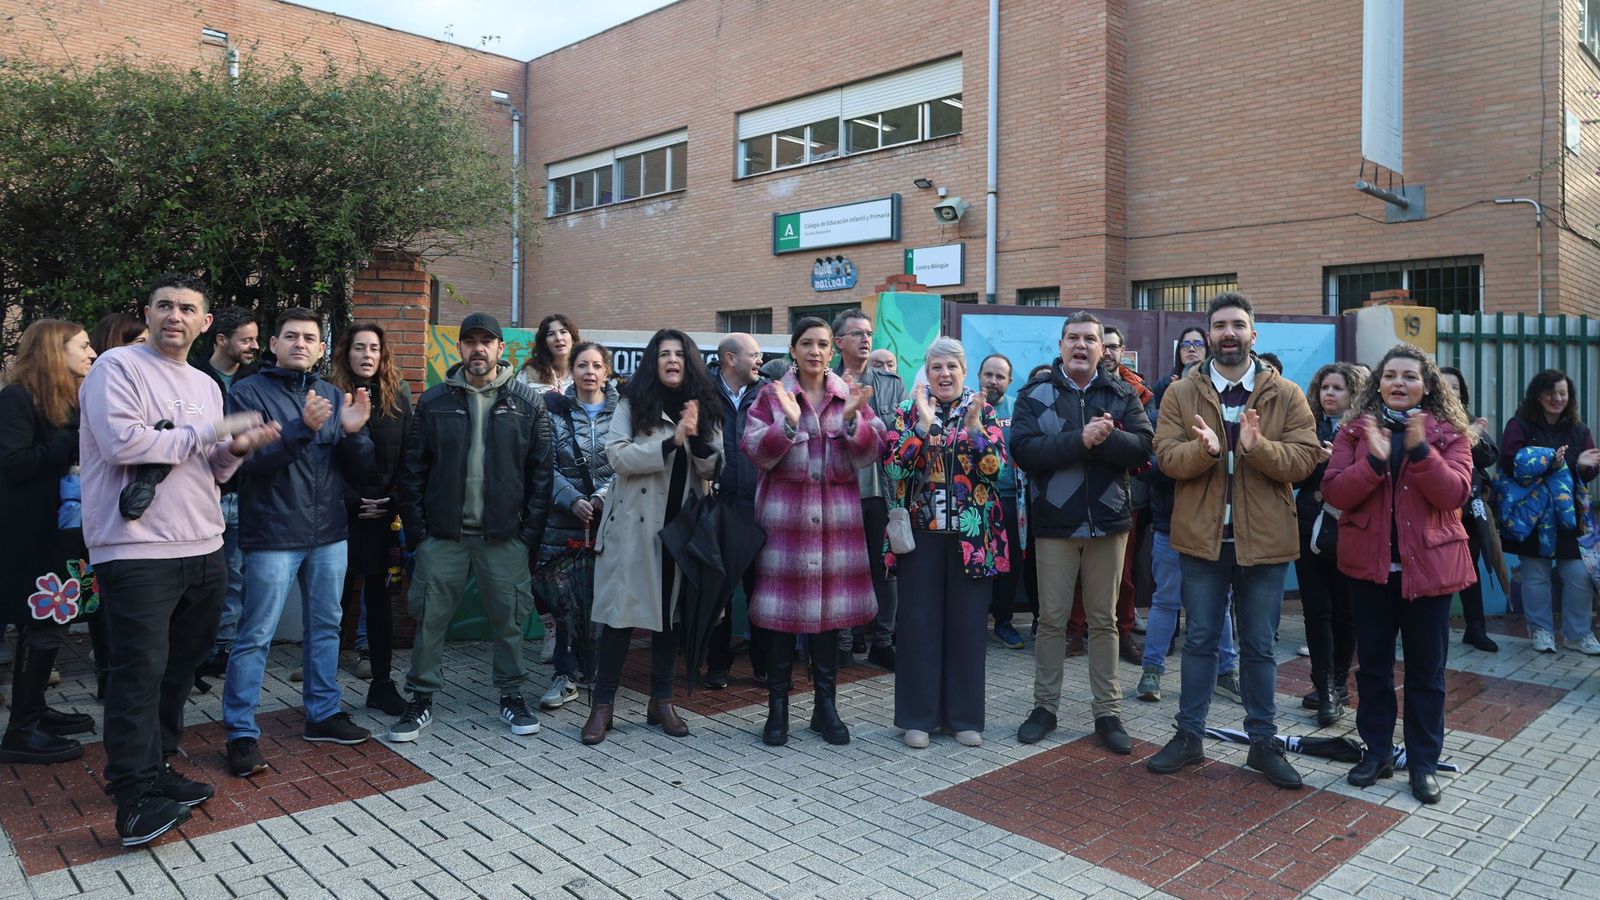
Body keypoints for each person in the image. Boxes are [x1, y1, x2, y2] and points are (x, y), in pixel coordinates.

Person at [79, 273, 279, 847]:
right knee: (138, 672)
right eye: (164, 305)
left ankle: (159, 764)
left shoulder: (204, 384)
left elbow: (210, 467)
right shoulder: (116, 367)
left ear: (204, 323)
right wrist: (213, 430)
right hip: (137, 548)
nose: (175, 316)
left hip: (204, 544)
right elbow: (124, 444)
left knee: (180, 667)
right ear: (147, 313)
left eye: (188, 308)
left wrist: (237, 448)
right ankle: (133, 797)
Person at [1149, 292, 1319, 789]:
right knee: (1200, 640)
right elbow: (1165, 458)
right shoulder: (1181, 393)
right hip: (1202, 543)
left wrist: (1259, 447)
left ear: (1252, 334)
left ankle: (1263, 744)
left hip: (1263, 543)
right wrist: (1202, 451)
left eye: (1237, 325)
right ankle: (1189, 736)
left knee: (1260, 646)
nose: (1229, 333)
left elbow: (1305, 461)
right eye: (1220, 325)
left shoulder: (1286, 393)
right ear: (1208, 335)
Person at [222, 308, 375, 776]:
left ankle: (322, 714)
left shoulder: (329, 392)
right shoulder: (247, 392)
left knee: (327, 626)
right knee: (256, 634)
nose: (300, 344)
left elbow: (359, 469)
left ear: (321, 348)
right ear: (273, 344)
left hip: (328, 533)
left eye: (309, 338)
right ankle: (241, 732)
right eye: (291, 336)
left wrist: (354, 434)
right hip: (273, 533)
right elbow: (249, 465)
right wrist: (301, 428)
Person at [1323, 345, 1475, 804]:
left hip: (1428, 574)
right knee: (1373, 669)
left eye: (1410, 376)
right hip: (1370, 573)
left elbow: (1454, 494)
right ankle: (1377, 754)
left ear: (1426, 385)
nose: (1399, 383)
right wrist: (1372, 461)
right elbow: (1336, 493)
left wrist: (1422, 450)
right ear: (1378, 382)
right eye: (1390, 375)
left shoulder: (1449, 434)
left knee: (1427, 673)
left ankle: (1424, 764)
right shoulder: (1355, 431)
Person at [390, 312, 554, 742]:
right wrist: (419, 533)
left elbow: (541, 475)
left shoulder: (527, 403)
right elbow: (413, 471)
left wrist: (528, 535)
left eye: (486, 341)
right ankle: (421, 698)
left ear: (501, 348)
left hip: (505, 536)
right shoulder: (434, 401)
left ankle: (512, 695)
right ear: (460, 347)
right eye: (470, 341)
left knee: (510, 621)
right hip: (443, 535)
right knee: (430, 618)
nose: (478, 348)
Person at [1011, 312, 1153, 753]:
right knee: (1052, 621)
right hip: (1055, 526)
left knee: (1104, 621)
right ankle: (1044, 708)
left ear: (1101, 348)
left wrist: (1107, 438)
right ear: (1060, 345)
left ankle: (1107, 713)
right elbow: (1023, 450)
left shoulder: (1121, 392)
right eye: (1073, 337)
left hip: (1108, 524)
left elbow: (1144, 447)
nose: (1081, 345)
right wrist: (1081, 440)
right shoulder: (1035, 394)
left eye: (1090, 339)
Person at [744, 317, 884, 746]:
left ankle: (826, 708)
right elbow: (753, 449)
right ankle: (778, 708)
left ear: (832, 349)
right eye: (806, 343)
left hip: (836, 525)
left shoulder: (848, 392)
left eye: (823, 344)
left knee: (829, 619)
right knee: (782, 619)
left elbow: (874, 449)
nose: (815, 351)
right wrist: (786, 425)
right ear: (793, 349)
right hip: (786, 525)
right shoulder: (773, 394)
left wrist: (853, 421)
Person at [583, 329, 723, 744]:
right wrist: (671, 442)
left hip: (682, 530)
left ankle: (661, 700)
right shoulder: (633, 401)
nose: (672, 360)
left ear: (690, 361)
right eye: (664, 354)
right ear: (653, 361)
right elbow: (617, 456)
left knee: (669, 618)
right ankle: (602, 706)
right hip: (634, 528)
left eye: (679, 354)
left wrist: (695, 436)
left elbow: (714, 467)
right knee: (620, 617)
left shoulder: (705, 405)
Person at [883, 338, 1008, 748]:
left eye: (951, 366)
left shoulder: (983, 411)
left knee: (967, 629)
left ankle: (963, 717)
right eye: (936, 367)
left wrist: (973, 430)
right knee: (918, 627)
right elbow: (894, 469)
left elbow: (995, 470)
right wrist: (922, 424)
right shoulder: (908, 410)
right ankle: (918, 718)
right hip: (920, 537)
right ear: (927, 371)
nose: (944, 374)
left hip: (972, 539)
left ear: (964, 371)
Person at [0, 320, 98, 765]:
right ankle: (21, 731)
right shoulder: (18, 398)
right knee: (40, 624)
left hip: (62, 533)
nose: (92, 353)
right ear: (55, 351)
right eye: (83, 345)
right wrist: (74, 439)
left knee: (51, 623)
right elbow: (14, 463)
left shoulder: (69, 399)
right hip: (30, 536)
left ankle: (35, 710)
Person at [1139, 328, 1241, 704]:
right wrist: (1193, 458)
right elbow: (1150, 467)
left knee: (1221, 602)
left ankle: (1227, 672)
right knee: (1166, 600)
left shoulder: (1226, 416)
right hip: (1171, 523)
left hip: (1215, 526)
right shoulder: (1157, 416)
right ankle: (1152, 671)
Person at [330, 323, 412, 715]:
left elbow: (412, 456)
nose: (367, 355)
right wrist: (352, 500)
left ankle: (382, 684)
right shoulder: (330, 395)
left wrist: (391, 501)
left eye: (374, 348)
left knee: (379, 604)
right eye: (359, 347)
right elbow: (321, 460)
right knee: (334, 604)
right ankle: (323, 691)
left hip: (384, 518)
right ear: (347, 353)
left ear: (383, 354)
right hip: (339, 517)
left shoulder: (399, 398)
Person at [537, 341, 618, 709]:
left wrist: (601, 497)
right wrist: (571, 499)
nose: (590, 372)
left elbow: (625, 464)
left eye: (597, 365)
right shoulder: (553, 412)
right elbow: (545, 465)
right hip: (563, 521)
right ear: (572, 370)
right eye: (582, 365)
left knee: (604, 599)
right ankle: (564, 676)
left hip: (609, 518)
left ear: (607, 371)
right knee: (565, 602)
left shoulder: (623, 413)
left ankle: (597, 671)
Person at [1498, 369, 1600, 654]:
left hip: (1571, 516)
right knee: (1535, 575)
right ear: (1537, 395)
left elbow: (1586, 472)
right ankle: (1540, 630)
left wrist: (1584, 466)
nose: (1557, 398)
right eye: (1550, 392)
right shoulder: (1519, 425)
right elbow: (1508, 463)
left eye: (1562, 393)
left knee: (1579, 575)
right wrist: (1550, 462)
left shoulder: (1579, 430)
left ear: (1570, 397)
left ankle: (1577, 634)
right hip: (1532, 515)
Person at [831, 308, 906, 669]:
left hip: (882, 490)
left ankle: (883, 642)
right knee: (842, 569)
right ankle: (843, 644)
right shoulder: (826, 381)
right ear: (838, 341)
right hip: (840, 489)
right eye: (857, 333)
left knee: (885, 568)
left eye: (869, 333)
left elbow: (898, 434)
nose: (865, 339)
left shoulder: (890, 383)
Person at [192, 306, 260, 688]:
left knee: (234, 577)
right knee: (200, 580)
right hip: (206, 492)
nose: (254, 346)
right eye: (246, 340)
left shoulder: (256, 380)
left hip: (244, 493)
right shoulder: (195, 377)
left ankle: (222, 648)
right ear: (221, 340)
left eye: (256, 339)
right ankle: (193, 650)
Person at [1293, 362, 1362, 726]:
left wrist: (1335, 461)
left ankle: (1338, 681)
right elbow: (1291, 476)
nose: (1329, 394)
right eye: (1325, 388)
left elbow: (1371, 477)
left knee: (1345, 610)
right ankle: (1323, 687)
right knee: (1316, 610)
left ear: (1354, 393)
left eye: (1338, 388)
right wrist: (1311, 461)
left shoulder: (1366, 429)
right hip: (1310, 529)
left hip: (1350, 530)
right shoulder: (1307, 426)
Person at [704, 332, 771, 688]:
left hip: (761, 508)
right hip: (718, 509)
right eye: (754, 354)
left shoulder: (769, 393)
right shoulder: (702, 394)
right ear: (730, 358)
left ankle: (764, 665)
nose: (760, 361)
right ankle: (717, 666)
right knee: (719, 593)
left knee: (762, 591)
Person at [1439, 366, 1500, 651]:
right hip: (1437, 509)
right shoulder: (1423, 419)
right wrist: (1465, 436)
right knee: (1435, 568)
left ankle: (1476, 629)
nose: (1449, 391)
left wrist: (1471, 434)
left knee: (1469, 567)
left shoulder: (1470, 420)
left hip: (1468, 507)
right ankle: (1428, 629)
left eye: (1455, 387)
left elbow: (1489, 456)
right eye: (1443, 385)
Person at [979, 353, 1026, 650]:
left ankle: (1004, 623)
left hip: (1009, 500)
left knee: (1009, 566)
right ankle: (972, 623)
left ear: (1009, 381)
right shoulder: (967, 407)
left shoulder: (1018, 409)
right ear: (979, 376)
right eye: (988, 374)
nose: (993, 381)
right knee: (974, 562)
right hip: (974, 501)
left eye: (1000, 376)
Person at [518, 313, 579, 394]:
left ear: (573, 339)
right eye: (551, 334)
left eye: (563, 332)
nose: (558, 338)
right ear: (545, 343)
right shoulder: (530, 372)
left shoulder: (583, 370)